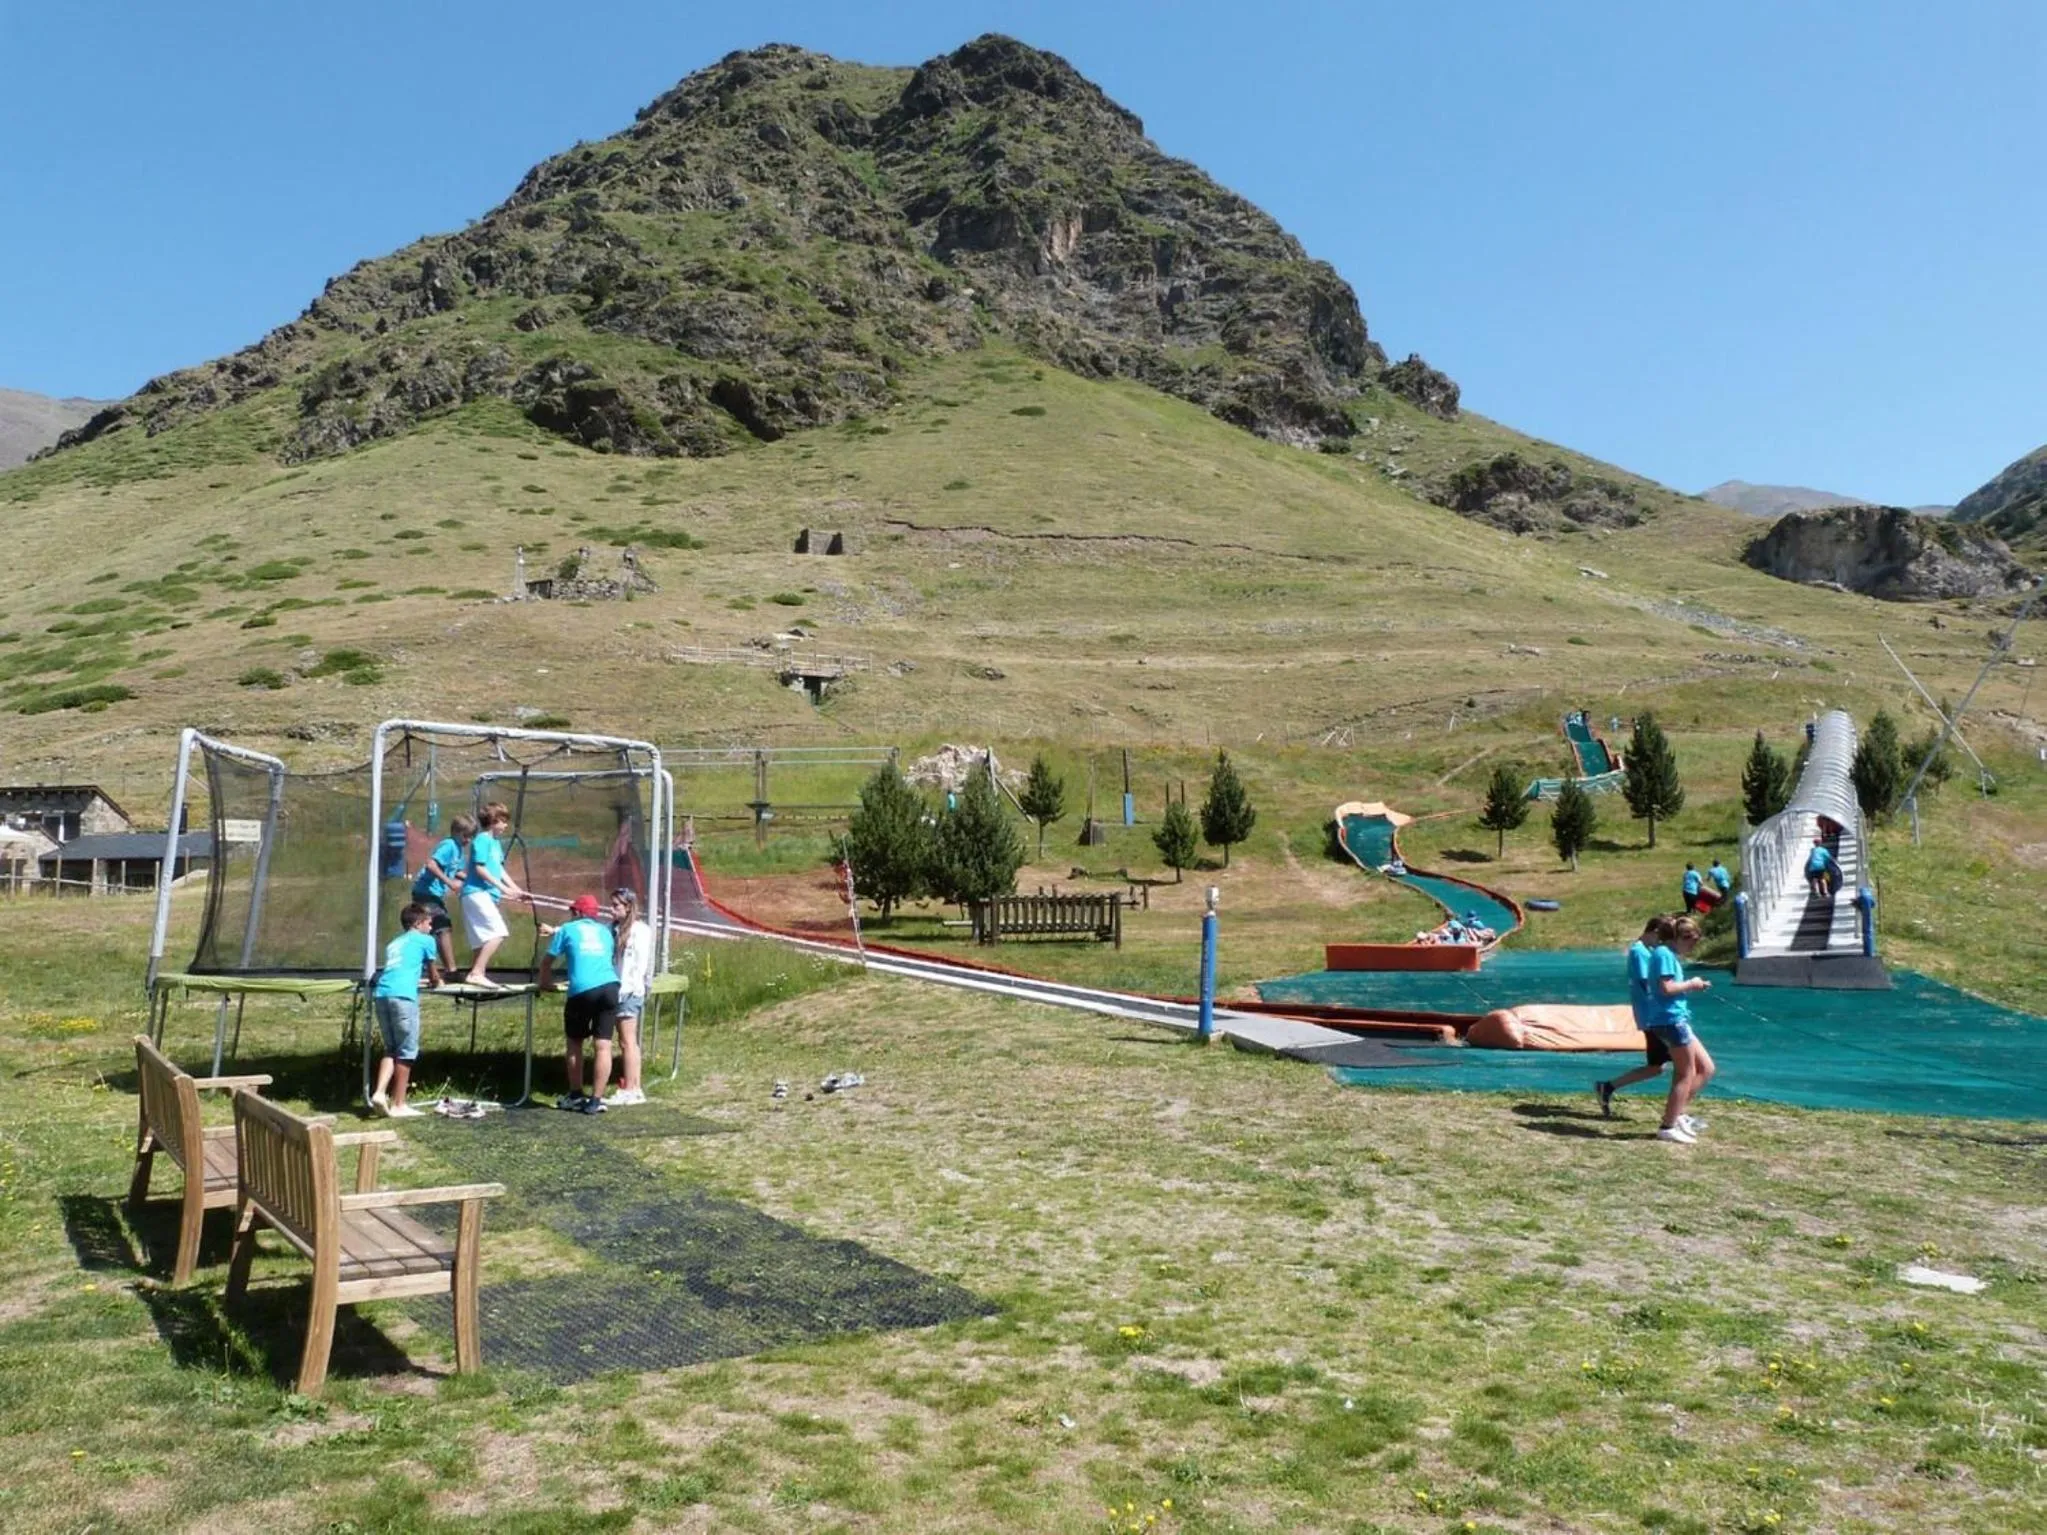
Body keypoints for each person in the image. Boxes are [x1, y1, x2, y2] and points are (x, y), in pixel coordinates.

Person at [538, 893, 621, 1114]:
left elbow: (547, 961)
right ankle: (596, 1100)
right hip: (611, 986)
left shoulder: (567, 929)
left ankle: (575, 1094)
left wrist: (545, 984)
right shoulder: (605, 932)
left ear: (577, 913)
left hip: (582, 990)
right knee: (603, 1045)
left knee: (575, 1042)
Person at [1596, 915, 1675, 1118]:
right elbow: (1647, 983)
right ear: (1655, 932)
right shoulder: (1640, 952)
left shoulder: (1645, 951)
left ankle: (1608, 1087)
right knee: (1684, 1062)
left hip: (1654, 1016)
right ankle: (1676, 1112)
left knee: (1656, 1067)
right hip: (1655, 1017)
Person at [1645, 916, 1715, 1144]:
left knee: (1706, 1068)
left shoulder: (1667, 955)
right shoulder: (1664, 954)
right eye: (1692, 942)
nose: (1692, 948)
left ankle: (1677, 1115)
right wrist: (1692, 984)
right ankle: (1668, 1125)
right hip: (1671, 1020)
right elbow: (1666, 988)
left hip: (1676, 1018)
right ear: (1681, 937)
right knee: (1685, 1073)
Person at [370, 902, 443, 1117]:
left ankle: (379, 1093)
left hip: (382, 995)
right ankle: (399, 1104)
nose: (431, 927)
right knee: (407, 1051)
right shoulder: (426, 940)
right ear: (419, 923)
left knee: (391, 1048)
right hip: (403, 997)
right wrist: (437, 981)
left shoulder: (394, 943)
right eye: (429, 923)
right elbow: (432, 974)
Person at [461, 801, 526, 987]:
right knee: (498, 932)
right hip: (475, 893)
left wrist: (516, 890)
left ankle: (475, 975)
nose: (506, 825)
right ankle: (476, 973)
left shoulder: (495, 843)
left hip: (484, 895)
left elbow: (499, 869)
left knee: (482, 939)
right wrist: (504, 889)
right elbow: (480, 869)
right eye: (503, 821)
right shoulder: (482, 840)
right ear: (493, 821)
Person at [607, 887, 654, 1106]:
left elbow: (639, 965)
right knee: (624, 1041)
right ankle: (632, 1086)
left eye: (616, 905)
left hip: (629, 991)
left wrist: (631, 988)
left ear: (628, 907)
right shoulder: (612, 929)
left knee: (628, 1042)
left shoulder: (640, 931)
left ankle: (633, 1088)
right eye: (612, 904)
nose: (612, 909)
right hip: (617, 989)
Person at [410, 814, 473, 974]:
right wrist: (449, 882)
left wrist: (472, 881)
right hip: (425, 892)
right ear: (456, 832)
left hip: (435, 895)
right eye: (466, 836)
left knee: (428, 929)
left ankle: (425, 967)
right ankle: (451, 970)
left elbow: (457, 871)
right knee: (442, 926)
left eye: (471, 837)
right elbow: (431, 865)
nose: (468, 841)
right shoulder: (449, 845)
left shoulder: (459, 851)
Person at [1805, 835, 1838, 900]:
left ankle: (1817, 893)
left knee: (1814, 879)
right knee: (1822, 879)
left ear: (1814, 844)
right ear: (1820, 843)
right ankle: (1825, 893)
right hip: (1820, 866)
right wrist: (1834, 862)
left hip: (1813, 867)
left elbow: (1811, 858)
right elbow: (1829, 858)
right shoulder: (1823, 850)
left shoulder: (1812, 850)